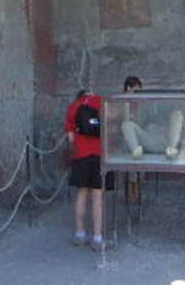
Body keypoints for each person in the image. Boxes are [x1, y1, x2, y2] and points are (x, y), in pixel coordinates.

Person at [65, 88, 114, 252]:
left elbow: (71, 138)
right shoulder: (101, 101)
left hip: (82, 154)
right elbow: (113, 123)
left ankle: (80, 234)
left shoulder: (73, 106)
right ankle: (97, 237)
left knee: (82, 193)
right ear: (91, 93)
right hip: (100, 154)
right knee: (98, 196)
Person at [120, 76, 185, 160]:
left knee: (177, 115)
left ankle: (172, 149)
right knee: (126, 125)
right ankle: (135, 151)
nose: (137, 95)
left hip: (166, 139)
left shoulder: (172, 102)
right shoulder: (137, 104)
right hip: (147, 139)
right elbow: (139, 123)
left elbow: (183, 125)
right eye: (136, 92)